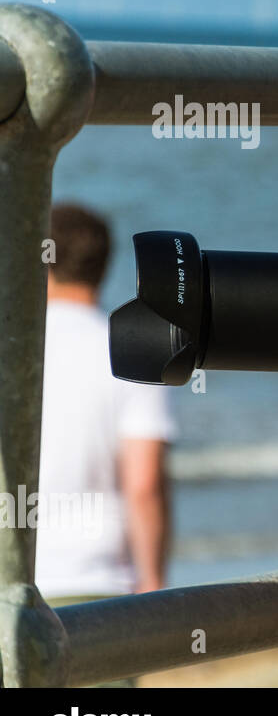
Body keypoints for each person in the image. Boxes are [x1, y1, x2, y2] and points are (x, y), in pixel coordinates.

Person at [37, 204, 176, 625]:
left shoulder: (13, 347)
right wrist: (152, 581)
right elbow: (143, 483)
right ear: (104, 264)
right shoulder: (131, 352)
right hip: (99, 585)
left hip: (14, 579)